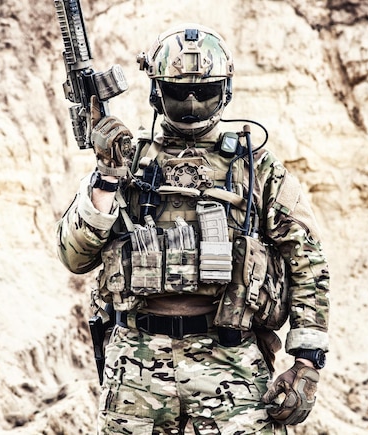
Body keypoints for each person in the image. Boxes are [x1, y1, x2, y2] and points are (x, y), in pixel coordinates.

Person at [56, 23, 330, 434]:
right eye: (177, 91)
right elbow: (74, 257)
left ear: (225, 91)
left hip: (231, 361)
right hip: (137, 364)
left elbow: (307, 260)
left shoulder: (256, 167)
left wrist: (307, 363)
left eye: (204, 92)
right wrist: (107, 177)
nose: (190, 101)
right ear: (156, 92)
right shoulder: (126, 161)